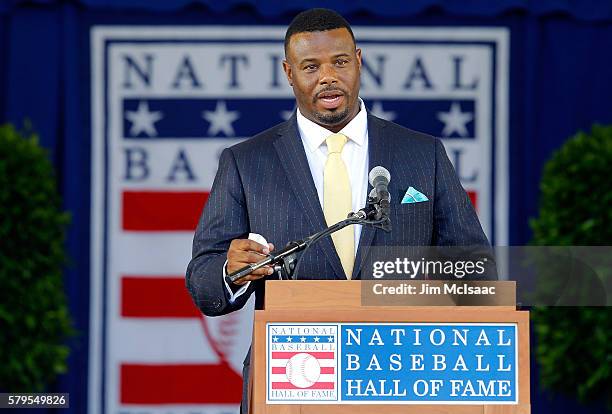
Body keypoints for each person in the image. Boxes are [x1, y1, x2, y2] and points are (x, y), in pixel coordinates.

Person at [186, 8, 493, 412]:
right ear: (289, 72)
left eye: (340, 62)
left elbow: (474, 268)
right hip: (294, 376)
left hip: (402, 374)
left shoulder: (422, 153)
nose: (328, 76)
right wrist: (230, 270)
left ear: (360, 61)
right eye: (310, 66)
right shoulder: (248, 162)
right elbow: (203, 279)